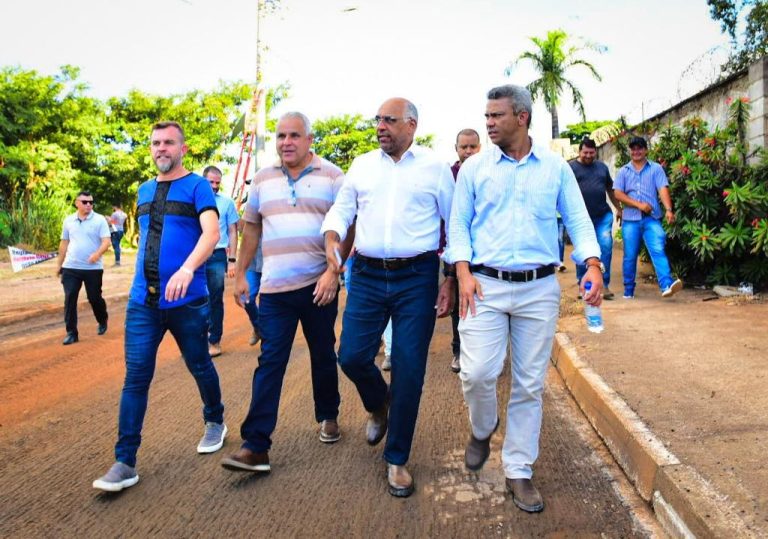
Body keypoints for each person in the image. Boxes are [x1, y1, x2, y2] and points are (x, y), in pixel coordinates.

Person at [447, 85, 602, 513]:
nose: (489, 123)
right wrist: (462, 272)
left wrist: (592, 264)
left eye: (496, 115)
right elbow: (458, 225)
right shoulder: (476, 168)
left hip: (538, 289)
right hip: (484, 285)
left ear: (522, 117)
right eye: (486, 115)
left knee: (530, 384)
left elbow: (578, 219)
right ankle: (483, 427)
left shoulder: (554, 168)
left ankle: (519, 469)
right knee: (477, 373)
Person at [321, 97, 455, 498]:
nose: (381, 126)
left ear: (411, 125)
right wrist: (332, 240)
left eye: (390, 120)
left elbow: (456, 223)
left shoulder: (435, 168)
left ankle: (396, 459)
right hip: (366, 273)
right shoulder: (362, 165)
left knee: (410, 369)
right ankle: (379, 404)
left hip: (417, 276)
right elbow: (341, 212)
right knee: (352, 356)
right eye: (378, 119)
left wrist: (450, 275)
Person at [92, 121, 226, 492]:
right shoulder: (144, 190)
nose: (161, 148)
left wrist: (186, 268)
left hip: (187, 300)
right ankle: (124, 461)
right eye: (155, 143)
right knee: (135, 378)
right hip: (143, 302)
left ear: (183, 149)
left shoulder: (198, 186)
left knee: (199, 364)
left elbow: (211, 233)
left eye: (169, 143)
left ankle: (215, 419)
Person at [221, 112, 349, 474]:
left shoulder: (333, 176)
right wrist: (242, 273)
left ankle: (328, 414)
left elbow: (347, 226)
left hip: (317, 285)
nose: (286, 142)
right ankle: (256, 445)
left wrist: (332, 271)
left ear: (310, 140)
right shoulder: (262, 179)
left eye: (294, 135)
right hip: (275, 288)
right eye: (280, 136)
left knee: (323, 353)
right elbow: (252, 230)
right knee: (270, 360)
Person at [613, 136, 683, 299]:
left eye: (639, 148)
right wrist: (638, 205)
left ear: (646, 150)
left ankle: (666, 285)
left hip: (652, 218)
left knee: (658, 249)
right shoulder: (624, 171)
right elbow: (617, 193)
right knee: (630, 256)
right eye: (633, 148)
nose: (636, 151)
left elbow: (663, 189)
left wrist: (669, 210)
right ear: (630, 151)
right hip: (630, 220)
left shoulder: (656, 169)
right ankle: (628, 290)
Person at [56, 191, 111, 345]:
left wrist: (97, 254)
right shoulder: (68, 221)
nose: (88, 205)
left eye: (91, 202)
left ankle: (102, 319)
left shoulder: (99, 220)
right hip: (71, 267)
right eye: (85, 202)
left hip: (93, 268)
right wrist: (59, 264)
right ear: (77, 203)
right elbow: (64, 243)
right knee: (70, 298)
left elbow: (106, 242)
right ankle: (71, 332)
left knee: (94, 297)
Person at [570, 137, 621, 299]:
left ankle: (604, 285)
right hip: (581, 220)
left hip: (602, 216)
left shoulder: (601, 168)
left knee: (605, 247)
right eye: (585, 152)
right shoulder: (571, 168)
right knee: (583, 251)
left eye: (592, 153)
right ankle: (583, 285)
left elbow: (610, 189)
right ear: (579, 152)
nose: (588, 156)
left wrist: (619, 208)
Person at [448, 129, 481, 373]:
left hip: (482, 251)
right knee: (458, 301)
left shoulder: (488, 171)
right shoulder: (449, 176)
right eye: (464, 147)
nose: (468, 151)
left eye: (472, 147)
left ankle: (485, 352)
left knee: (483, 300)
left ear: (480, 147)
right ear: (456, 148)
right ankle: (458, 350)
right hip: (454, 249)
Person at [202, 165, 239, 358]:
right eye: (211, 182)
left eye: (218, 182)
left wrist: (232, 260)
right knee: (195, 298)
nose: (215, 186)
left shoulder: (226, 203)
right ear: (203, 180)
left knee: (215, 298)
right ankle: (197, 341)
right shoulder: (192, 201)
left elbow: (233, 231)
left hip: (217, 255)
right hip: (195, 255)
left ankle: (214, 340)